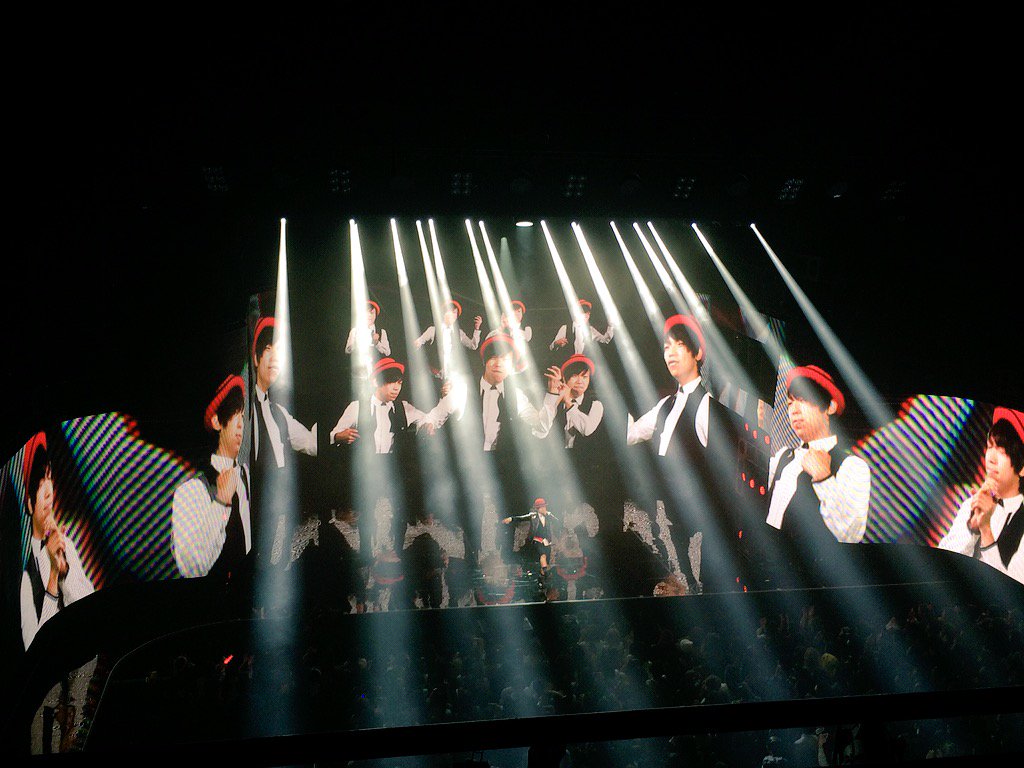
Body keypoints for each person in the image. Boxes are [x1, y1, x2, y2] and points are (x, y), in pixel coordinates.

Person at [626, 314, 740, 592]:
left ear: (697, 353)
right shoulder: (664, 404)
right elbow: (630, 434)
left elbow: (722, 475)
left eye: (679, 345)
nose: (671, 352)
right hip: (664, 516)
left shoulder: (709, 407)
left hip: (695, 521)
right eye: (667, 346)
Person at [765, 365, 870, 545]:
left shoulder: (852, 466)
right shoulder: (783, 456)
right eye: (790, 403)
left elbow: (850, 535)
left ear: (830, 406)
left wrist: (824, 478)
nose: (794, 410)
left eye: (803, 400)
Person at [172, 375, 253, 580]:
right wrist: (221, 502)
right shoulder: (192, 490)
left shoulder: (246, 476)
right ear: (217, 421)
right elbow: (191, 568)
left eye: (243, 415)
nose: (241, 424)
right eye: (235, 414)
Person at [20, 432, 95, 650]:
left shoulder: (65, 545)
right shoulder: (26, 578)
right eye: (39, 482)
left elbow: (89, 612)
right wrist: (53, 576)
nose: (48, 492)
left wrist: (64, 572)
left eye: (49, 477)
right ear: (29, 502)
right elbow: (35, 647)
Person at [938, 406, 1024, 584]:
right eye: (990, 446)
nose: (991, 458)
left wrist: (986, 531)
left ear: (1022, 467)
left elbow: (1011, 587)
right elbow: (942, 567)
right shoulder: (972, 504)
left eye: (1002, 451)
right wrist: (972, 528)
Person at [330, 357, 455, 453]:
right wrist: (339, 436)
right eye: (391, 382)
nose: (396, 388)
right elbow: (334, 434)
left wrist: (444, 399)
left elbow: (428, 419)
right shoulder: (356, 407)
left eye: (399, 383)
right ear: (375, 382)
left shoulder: (403, 407)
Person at [413, 300, 482, 377]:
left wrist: (477, 329)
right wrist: (416, 344)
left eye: (454, 312)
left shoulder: (459, 333)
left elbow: (473, 346)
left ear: (456, 316)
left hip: (450, 377)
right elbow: (419, 341)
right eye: (449, 311)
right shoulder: (433, 330)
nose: (452, 315)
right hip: (433, 374)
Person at [550, 354, 604, 449]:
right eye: (574, 376)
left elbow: (587, 430)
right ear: (564, 379)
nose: (580, 381)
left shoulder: (596, 404)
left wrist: (568, 402)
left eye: (584, 377)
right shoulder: (555, 401)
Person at [502, 497, 556, 574]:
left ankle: (543, 574)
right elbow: (521, 518)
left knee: (546, 559)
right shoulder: (533, 516)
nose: (544, 508)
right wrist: (511, 519)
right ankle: (544, 570)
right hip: (537, 540)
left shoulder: (548, 516)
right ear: (538, 508)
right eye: (542, 507)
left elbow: (557, 522)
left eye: (544, 507)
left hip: (546, 541)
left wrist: (550, 515)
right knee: (543, 554)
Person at [549, 298, 613, 356]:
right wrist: (556, 343)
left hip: (584, 363)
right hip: (569, 363)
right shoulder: (565, 328)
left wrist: (611, 326)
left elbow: (605, 340)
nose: (587, 315)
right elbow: (551, 347)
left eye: (588, 313)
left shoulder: (590, 330)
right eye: (584, 312)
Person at [485, 299, 533, 369]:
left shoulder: (525, 333)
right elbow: (487, 346)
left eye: (518, 311)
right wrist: (501, 328)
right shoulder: (495, 332)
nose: (515, 313)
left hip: (519, 369)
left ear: (522, 315)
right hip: (497, 368)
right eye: (512, 311)